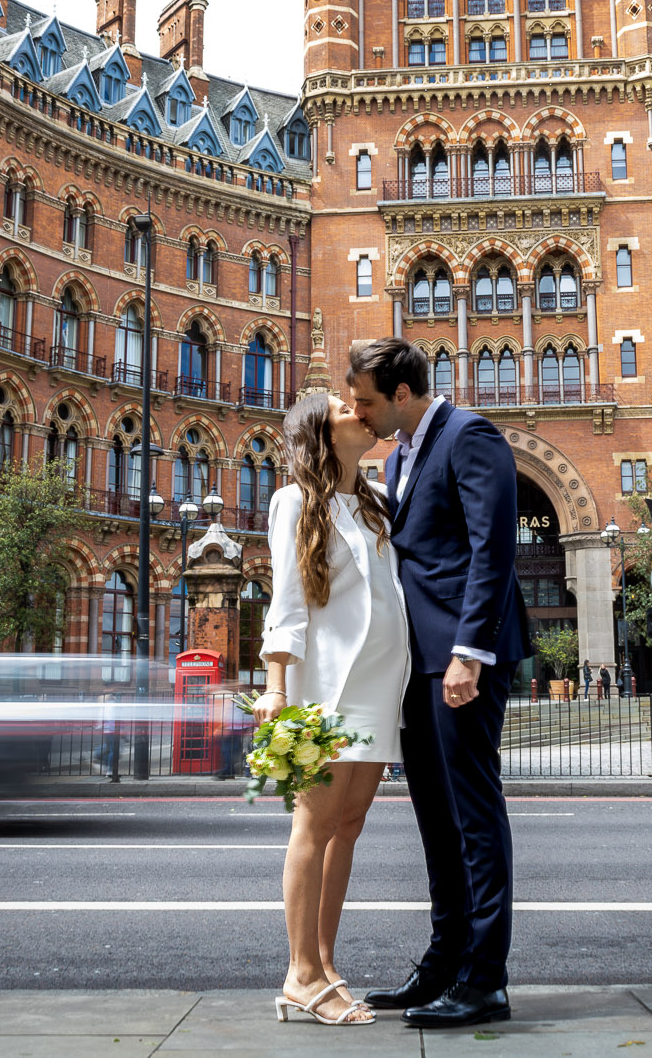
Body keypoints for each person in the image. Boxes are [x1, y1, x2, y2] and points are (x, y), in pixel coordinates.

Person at [349, 337, 527, 1029]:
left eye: (366, 400)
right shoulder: (398, 455)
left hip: (461, 656)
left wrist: (470, 652)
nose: (361, 413)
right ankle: (445, 960)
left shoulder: (467, 435)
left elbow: (494, 546)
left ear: (401, 393)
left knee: (474, 817)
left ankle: (486, 978)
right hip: (419, 661)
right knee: (433, 819)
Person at [254, 392, 410, 1027]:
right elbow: (287, 603)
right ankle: (299, 972)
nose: (360, 409)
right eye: (346, 405)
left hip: (380, 684)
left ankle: (324, 961)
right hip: (326, 685)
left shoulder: (375, 502)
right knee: (312, 828)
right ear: (320, 429)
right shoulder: (295, 500)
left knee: (349, 825)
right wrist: (274, 687)